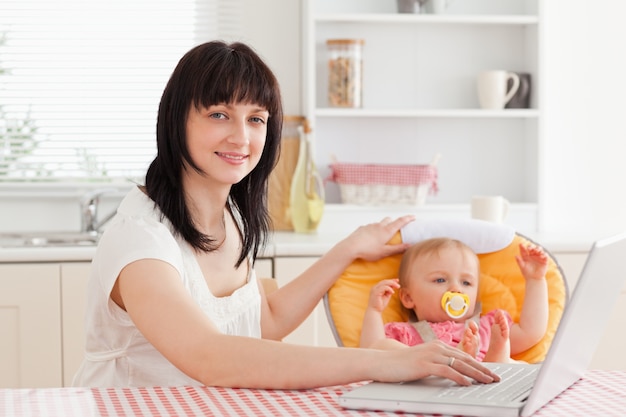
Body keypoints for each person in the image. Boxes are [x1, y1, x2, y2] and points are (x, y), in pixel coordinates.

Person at [72, 41, 499, 389]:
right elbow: (210, 357)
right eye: (219, 114)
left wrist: (348, 249)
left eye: (256, 119)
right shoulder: (141, 241)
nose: (241, 137)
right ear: (175, 120)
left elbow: (264, 323)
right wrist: (381, 363)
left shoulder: (231, 219)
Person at [360, 237, 549, 363]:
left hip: (486, 389)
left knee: (506, 359)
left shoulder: (487, 328)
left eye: (466, 282)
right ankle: (459, 360)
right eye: (440, 280)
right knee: (386, 349)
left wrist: (535, 280)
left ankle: (496, 357)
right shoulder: (404, 333)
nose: (456, 289)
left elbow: (531, 332)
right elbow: (371, 351)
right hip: (432, 387)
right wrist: (374, 311)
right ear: (409, 297)